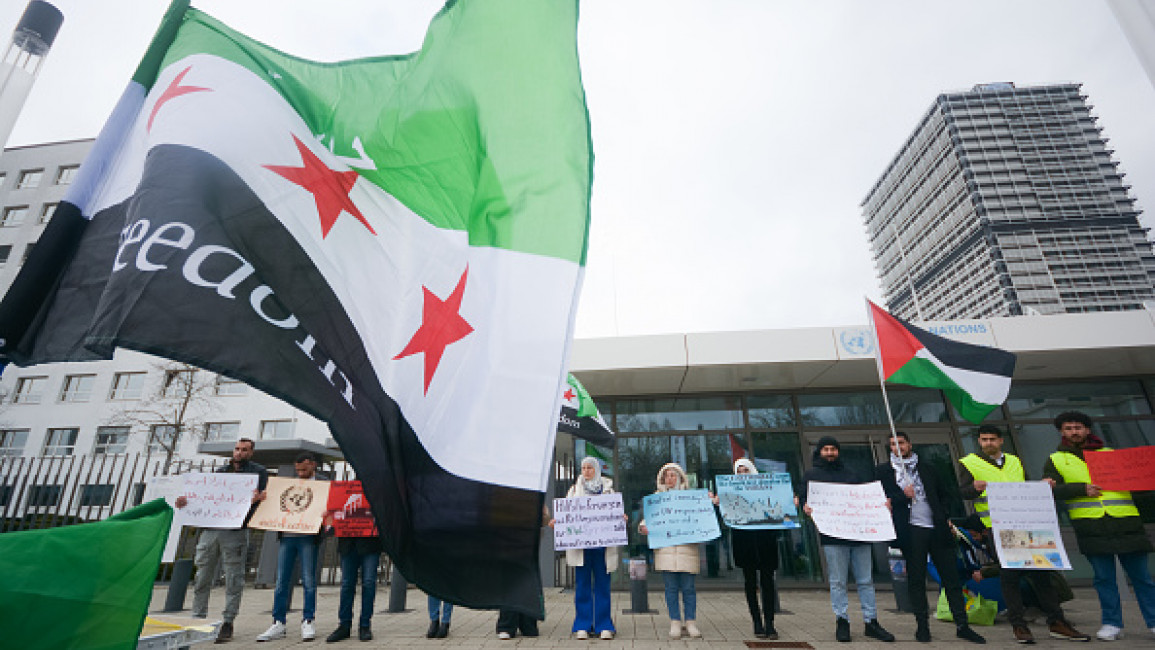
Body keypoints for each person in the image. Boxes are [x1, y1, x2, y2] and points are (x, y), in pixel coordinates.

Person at [958, 424, 1089, 643]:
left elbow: (1026, 487)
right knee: (1009, 576)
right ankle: (1019, 625)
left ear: (1001, 441)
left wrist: (1043, 486)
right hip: (998, 527)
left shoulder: (1014, 461)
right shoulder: (969, 463)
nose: (988, 443)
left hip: (1027, 524)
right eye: (983, 440)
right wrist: (974, 488)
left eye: (992, 439)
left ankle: (1057, 622)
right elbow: (963, 492)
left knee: (1041, 574)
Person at [1043, 411, 1155, 642]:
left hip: (1125, 523)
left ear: (1087, 430)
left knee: (1142, 578)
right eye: (1068, 428)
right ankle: (1112, 623)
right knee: (1104, 579)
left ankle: (1153, 622)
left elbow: (1140, 486)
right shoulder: (1055, 459)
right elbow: (1050, 490)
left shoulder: (1111, 454)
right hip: (1091, 526)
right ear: (1061, 432)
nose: (1074, 432)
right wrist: (1081, 489)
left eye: (1078, 427)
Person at [876, 431, 984, 644]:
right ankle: (922, 626)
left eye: (902, 443)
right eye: (893, 444)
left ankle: (962, 625)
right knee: (916, 580)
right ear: (890, 448)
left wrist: (944, 517)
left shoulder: (928, 468)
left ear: (909, 444)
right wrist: (900, 496)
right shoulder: (883, 471)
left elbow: (945, 494)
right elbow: (878, 498)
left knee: (951, 578)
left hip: (936, 528)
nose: (898, 447)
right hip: (910, 531)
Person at [800, 436, 894, 644]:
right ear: (819, 452)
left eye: (833, 449)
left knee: (866, 580)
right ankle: (842, 620)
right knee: (837, 581)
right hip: (833, 537)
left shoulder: (852, 474)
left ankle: (871, 621)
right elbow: (804, 501)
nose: (830, 452)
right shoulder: (811, 476)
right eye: (826, 449)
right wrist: (805, 508)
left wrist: (881, 505)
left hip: (859, 535)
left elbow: (866, 499)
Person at [175, 437, 268, 644]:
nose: (239, 452)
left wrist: (258, 499)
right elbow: (202, 498)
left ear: (251, 453)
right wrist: (184, 503)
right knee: (202, 577)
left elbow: (262, 499)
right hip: (210, 530)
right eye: (236, 448)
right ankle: (198, 619)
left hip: (235, 531)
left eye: (244, 450)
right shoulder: (219, 474)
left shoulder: (258, 473)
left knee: (234, 578)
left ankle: (228, 622)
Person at [257, 452, 327, 642]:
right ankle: (278, 622)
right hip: (287, 537)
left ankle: (308, 620)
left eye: (304, 469)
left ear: (313, 465)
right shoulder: (287, 485)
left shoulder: (323, 484)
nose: (301, 473)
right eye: (298, 470)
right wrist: (264, 499)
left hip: (309, 538)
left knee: (309, 581)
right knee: (281, 581)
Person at [551, 456, 619, 640]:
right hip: (581, 548)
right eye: (584, 468)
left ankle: (603, 625)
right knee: (582, 585)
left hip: (602, 548)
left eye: (590, 467)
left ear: (596, 470)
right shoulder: (574, 491)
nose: (586, 471)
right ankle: (583, 624)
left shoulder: (608, 491)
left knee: (602, 585)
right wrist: (558, 523)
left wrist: (620, 518)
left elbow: (614, 514)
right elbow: (566, 516)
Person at [639, 462, 703, 640]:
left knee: (689, 588)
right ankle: (675, 621)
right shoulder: (657, 498)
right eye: (666, 476)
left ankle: (690, 622)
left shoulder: (691, 498)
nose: (669, 479)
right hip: (666, 552)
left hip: (687, 550)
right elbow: (646, 521)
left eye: (673, 475)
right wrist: (643, 527)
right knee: (671, 589)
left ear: (680, 477)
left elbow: (701, 519)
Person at [728, 458, 780, 640]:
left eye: (746, 471)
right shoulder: (731, 491)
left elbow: (777, 506)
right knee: (750, 583)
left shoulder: (767, 489)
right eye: (739, 472)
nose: (743, 474)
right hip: (744, 542)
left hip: (765, 540)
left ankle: (770, 623)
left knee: (767, 583)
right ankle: (757, 622)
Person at [324, 522, 382, 642]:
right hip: (348, 541)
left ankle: (365, 625)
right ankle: (344, 625)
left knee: (369, 583)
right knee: (347, 584)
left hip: (370, 540)